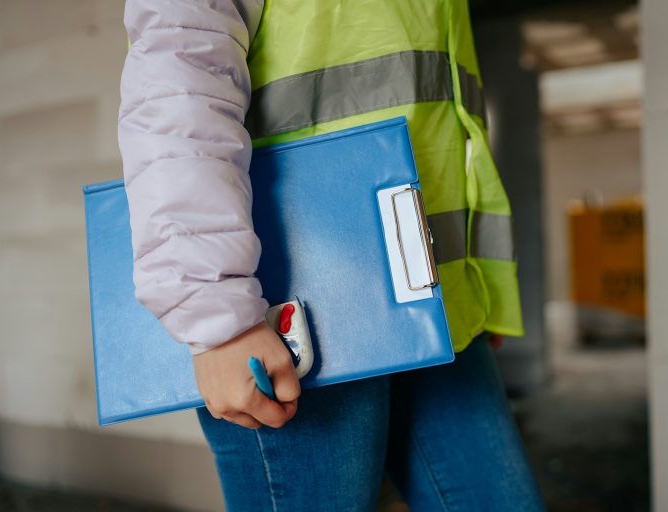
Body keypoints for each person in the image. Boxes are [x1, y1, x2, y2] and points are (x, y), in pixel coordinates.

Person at [118, 0, 544, 510]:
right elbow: (177, 91)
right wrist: (217, 315)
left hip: (440, 306)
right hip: (296, 317)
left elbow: (449, 131)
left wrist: (478, 289)